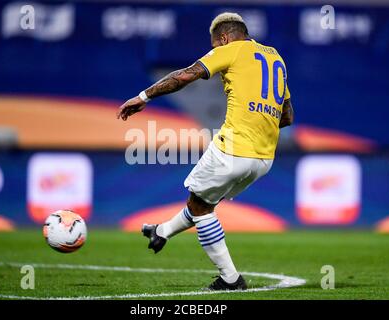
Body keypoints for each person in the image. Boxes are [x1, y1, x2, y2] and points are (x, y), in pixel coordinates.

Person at [117, 12, 294, 291]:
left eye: (215, 46)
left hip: (234, 147)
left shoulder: (232, 50)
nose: (214, 51)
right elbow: (287, 117)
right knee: (203, 202)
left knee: (201, 209)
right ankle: (161, 232)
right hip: (264, 158)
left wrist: (143, 98)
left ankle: (230, 278)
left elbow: (184, 76)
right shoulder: (276, 59)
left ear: (223, 38)